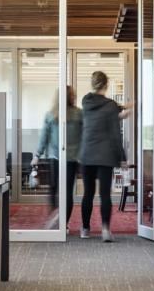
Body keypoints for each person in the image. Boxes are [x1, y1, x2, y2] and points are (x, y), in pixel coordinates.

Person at [78, 70, 133, 242]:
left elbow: (106, 113)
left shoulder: (86, 101)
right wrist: (123, 158)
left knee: (87, 194)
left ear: (93, 84)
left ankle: (85, 229)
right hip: (105, 156)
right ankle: (105, 230)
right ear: (107, 85)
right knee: (105, 195)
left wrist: (122, 112)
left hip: (87, 154)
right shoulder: (110, 106)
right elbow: (115, 134)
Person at [34, 85, 83, 228]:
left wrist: (37, 154)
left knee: (54, 188)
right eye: (72, 94)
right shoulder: (76, 114)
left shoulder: (54, 114)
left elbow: (44, 137)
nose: (74, 96)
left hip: (59, 158)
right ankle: (62, 222)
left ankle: (59, 219)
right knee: (64, 191)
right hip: (68, 158)